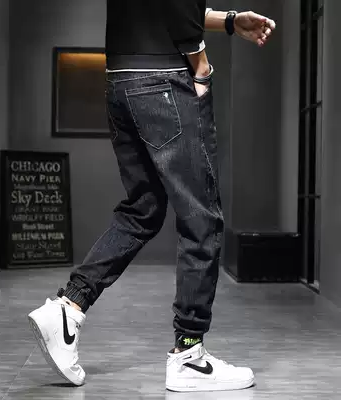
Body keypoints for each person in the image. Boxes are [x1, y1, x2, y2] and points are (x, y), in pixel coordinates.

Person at [28, 0, 276, 392]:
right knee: (201, 217)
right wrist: (200, 64)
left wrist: (228, 21)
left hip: (121, 80)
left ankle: (69, 308)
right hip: (164, 79)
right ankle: (189, 354)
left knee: (143, 208)